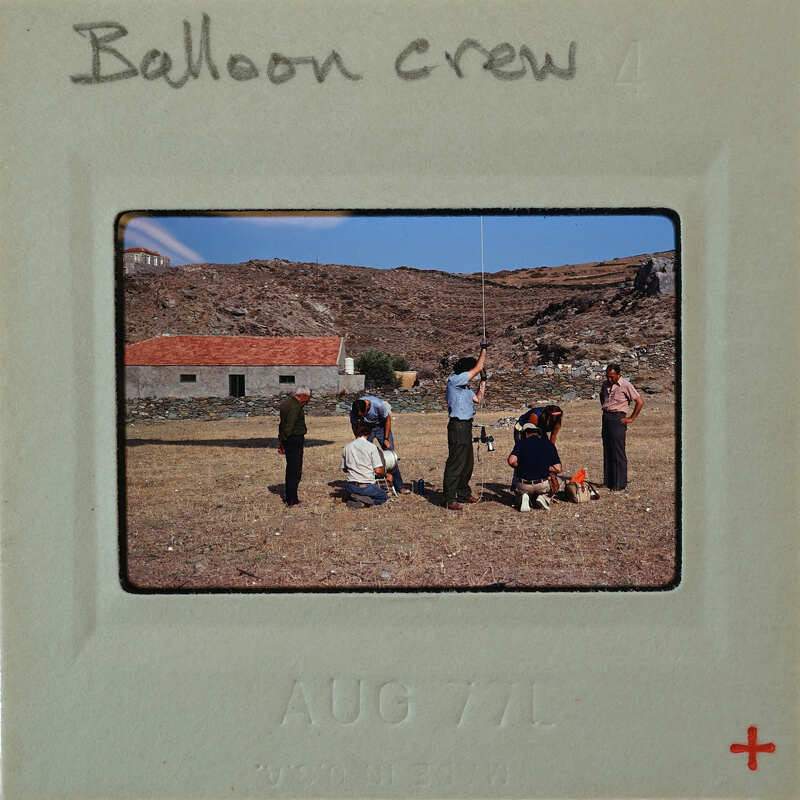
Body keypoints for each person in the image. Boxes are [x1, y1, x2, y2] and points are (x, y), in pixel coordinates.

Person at [442, 341, 487, 510]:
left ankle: (463, 493)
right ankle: (449, 498)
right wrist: (484, 350)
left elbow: (478, 399)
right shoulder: (455, 380)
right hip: (458, 426)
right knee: (456, 462)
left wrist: (483, 381)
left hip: (466, 427)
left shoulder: (464, 388)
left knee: (467, 462)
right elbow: (478, 367)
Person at [349, 395, 410, 494]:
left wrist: (386, 438)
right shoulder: (353, 409)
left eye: (363, 414)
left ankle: (399, 486)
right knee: (364, 455)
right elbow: (354, 424)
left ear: (367, 407)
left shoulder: (377, 405)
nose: (362, 417)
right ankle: (367, 485)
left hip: (382, 427)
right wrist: (358, 438)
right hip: (367, 428)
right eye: (360, 416)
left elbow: (388, 419)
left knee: (391, 457)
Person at [600, 363, 643, 491]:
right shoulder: (605, 385)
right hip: (606, 417)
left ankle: (620, 483)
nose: (609, 379)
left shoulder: (626, 385)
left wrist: (631, 418)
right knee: (608, 450)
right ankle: (608, 481)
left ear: (619, 375)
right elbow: (602, 396)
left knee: (618, 451)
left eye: (612, 377)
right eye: (608, 376)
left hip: (618, 418)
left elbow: (639, 402)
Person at [507, 423, 563, 511]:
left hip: (524, 484)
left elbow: (511, 461)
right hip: (542, 484)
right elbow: (558, 469)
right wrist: (544, 467)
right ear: (538, 433)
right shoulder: (548, 444)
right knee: (559, 481)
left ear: (525, 434)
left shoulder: (521, 443)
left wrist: (520, 465)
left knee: (521, 491)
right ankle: (544, 497)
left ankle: (523, 497)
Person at [511, 404, 563, 490]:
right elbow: (530, 436)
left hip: (540, 430)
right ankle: (516, 483)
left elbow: (553, 437)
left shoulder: (557, 420)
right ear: (547, 416)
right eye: (552, 420)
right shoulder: (535, 416)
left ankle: (539, 482)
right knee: (524, 454)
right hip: (523, 430)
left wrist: (549, 453)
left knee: (542, 453)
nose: (554, 422)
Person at [340, 421, 390, 507]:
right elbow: (378, 471)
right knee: (383, 497)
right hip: (366, 486)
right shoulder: (371, 447)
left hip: (351, 486)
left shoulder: (347, 447)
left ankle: (355, 499)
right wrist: (387, 475)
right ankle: (365, 501)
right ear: (369, 433)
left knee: (353, 491)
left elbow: (344, 469)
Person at [277, 385, 311, 507]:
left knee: (290, 468)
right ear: (303, 395)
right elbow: (289, 425)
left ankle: (289, 497)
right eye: (307, 397)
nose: (308, 400)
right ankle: (292, 500)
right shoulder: (296, 407)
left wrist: (281, 441)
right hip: (294, 439)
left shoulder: (286, 403)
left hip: (287, 439)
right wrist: (286, 439)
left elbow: (282, 424)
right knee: (295, 470)